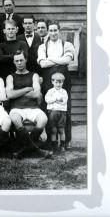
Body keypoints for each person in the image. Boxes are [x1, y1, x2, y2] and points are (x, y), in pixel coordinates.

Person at [6, 50, 52, 159]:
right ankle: (37, 150)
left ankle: (22, 150)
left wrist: (17, 93)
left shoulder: (34, 75)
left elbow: (37, 93)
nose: (19, 63)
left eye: (21, 60)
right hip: (17, 108)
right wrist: (27, 89)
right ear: (13, 62)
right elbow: (10, 94)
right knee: (15, 119)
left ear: (26, 60)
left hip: (33, 107)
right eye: (16, 61)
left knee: (43, 119)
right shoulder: (10, 77)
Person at [37, 20, 75, 149]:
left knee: (65, 108)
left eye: (55, 30)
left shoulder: (67, 44)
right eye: (51, 30)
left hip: (64, 81)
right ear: (48, 31)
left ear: (59, 31)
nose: (53, 33)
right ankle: (51, 140)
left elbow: (67, 60)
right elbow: (42, 64)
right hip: (48, 81)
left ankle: (67, 140)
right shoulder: (43, 46)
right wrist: (59, 60)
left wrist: (51, 59)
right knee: (50, 109)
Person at [44, 72, 68, 152]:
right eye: (56, 82)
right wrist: (56, 99)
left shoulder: (64, 92)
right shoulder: (50, 91)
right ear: (52, 82)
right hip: (52, 112)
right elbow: (48, 100)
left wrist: (55, 100)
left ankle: (62, 146)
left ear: (63, 82)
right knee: (53, 130)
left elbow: (63, 101)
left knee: (61, 130)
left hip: (62, 112)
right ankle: (54, 146)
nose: (58, 84)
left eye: (60, 82)